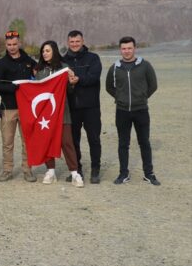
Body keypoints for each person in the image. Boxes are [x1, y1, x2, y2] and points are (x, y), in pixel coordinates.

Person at [106, 36, 159, 186]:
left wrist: (141, 97)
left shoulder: (145, 65)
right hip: (122, 111)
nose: (127, 51)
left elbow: (153, 85)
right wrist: (120, 98)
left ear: (134, 48)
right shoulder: (115, 67)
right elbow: (109, 87)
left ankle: (149, 174)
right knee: (123, 143)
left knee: (144, 142)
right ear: (120, 50)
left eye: (129, 48)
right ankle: (124, 173)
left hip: (141, 110)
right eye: (124, 48)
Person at [34, 41, 84, 188]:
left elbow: (69, 90)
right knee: (48, 142)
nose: (45, 53)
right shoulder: (40, 70)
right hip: (46, 115)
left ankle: (75, 172)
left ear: (54, 52)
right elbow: (36, 90)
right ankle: (50, 171)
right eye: (43, 51)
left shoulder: (64, 68)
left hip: (62, 112)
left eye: (47, 51)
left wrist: (72, 82)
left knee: (67, 142)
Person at [0, 31, 37, 182]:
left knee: (27, 140)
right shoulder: (0, 63)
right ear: (6, 45)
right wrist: (14, 87)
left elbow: (39, 77)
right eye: (9, 44)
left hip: (26, 108)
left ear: (19, 43)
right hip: (8, 107)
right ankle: (7, 170)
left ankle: (27, 169)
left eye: (14, 44)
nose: (12, 47)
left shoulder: (30, 62)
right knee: (7, 141)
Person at [63, 30, 102, 183]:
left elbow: (94, 77)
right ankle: (76, 170)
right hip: (72, 107)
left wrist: (78, 79)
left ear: (82, 41)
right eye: (72, 42)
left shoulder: (93, 58)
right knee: (73, 141)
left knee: (94, 139)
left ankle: (95, 170)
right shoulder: (64, 61)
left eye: (77, 41)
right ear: (68, 42)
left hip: (91, 107)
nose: (74, 44)